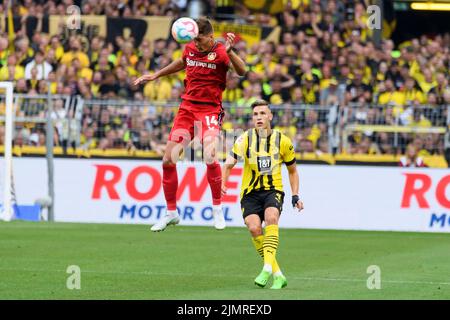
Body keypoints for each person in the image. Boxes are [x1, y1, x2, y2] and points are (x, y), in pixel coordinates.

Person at [134, 17, 246, 232]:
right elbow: (182, 61)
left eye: (200, 40)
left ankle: (217, 209)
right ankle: (171, 213)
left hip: (210, 110)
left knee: (210, 155)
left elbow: (242, 71)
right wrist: (156, 75)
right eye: (194, 40)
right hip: (187, 109)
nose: (196, 44)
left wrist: (231, 51)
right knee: (168, 159)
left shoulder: (221, 52)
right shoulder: (190, 48)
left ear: (211, 37)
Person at [222, 99, 304, 289]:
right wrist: (223, 183)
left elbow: (293, 171)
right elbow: (228, 165)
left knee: (272, 218)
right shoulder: (244, 139)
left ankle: (266, 268)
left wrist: (295, 195)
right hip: (249, 192)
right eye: (255, 114)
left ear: (270, 116)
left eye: (262, 113)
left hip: (272, 189)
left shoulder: (283, 141)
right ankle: (278, 274)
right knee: (254, 229)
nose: (258, 117)